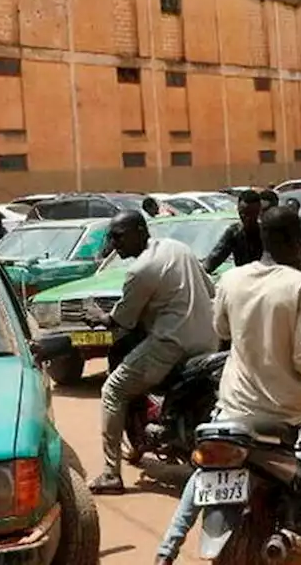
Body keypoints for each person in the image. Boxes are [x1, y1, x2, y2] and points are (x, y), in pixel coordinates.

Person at [153, 208, 301, 564]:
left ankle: (166, 548)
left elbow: (222, 331)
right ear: (294, 241)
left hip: (235, 401)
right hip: (286, 405)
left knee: (206, 467)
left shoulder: (232, 279)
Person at [85, 211, 220, 493]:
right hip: (208, 341)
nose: (114, 242)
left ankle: (111, 474)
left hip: (171, 345)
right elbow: (209, 289)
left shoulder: (140, 270)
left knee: (113, 390)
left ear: (139, 230)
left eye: (119, 236)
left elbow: (123, 320)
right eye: (111, 236)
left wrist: (100, 317)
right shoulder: (179, 249)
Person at [203, 190, 263, 273]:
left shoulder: (267, 231)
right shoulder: (234, 232)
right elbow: (216, 256)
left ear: (259, 211)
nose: (247, 218)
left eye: (251, 214)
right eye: (243, 213)